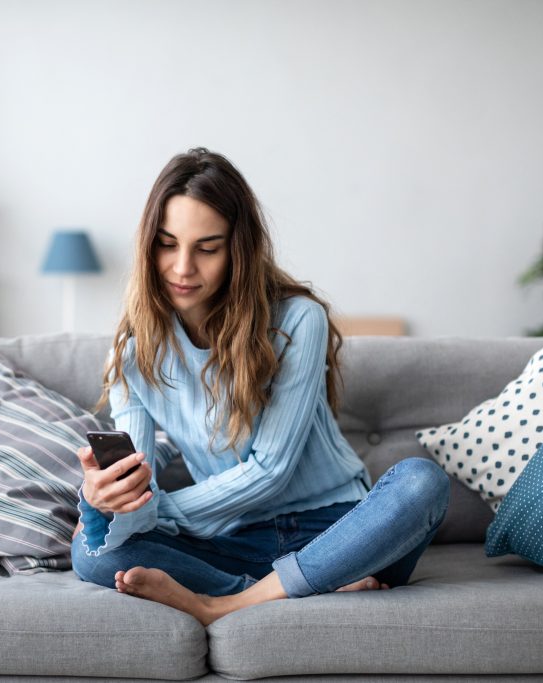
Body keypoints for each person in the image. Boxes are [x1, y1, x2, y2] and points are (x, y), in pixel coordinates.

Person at [71, 147, 449, 625]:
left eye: (207, 248)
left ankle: (224, 604)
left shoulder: (298, 321)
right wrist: (104, 501)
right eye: (167, 244)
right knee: (91, 552)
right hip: (233, 541)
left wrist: (156, 509)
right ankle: (291, 589)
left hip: (337, 530)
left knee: (421, 482)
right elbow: (137, 483)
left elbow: (270, 471)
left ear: (238, 249)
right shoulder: (133, 353)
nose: (183, 267)